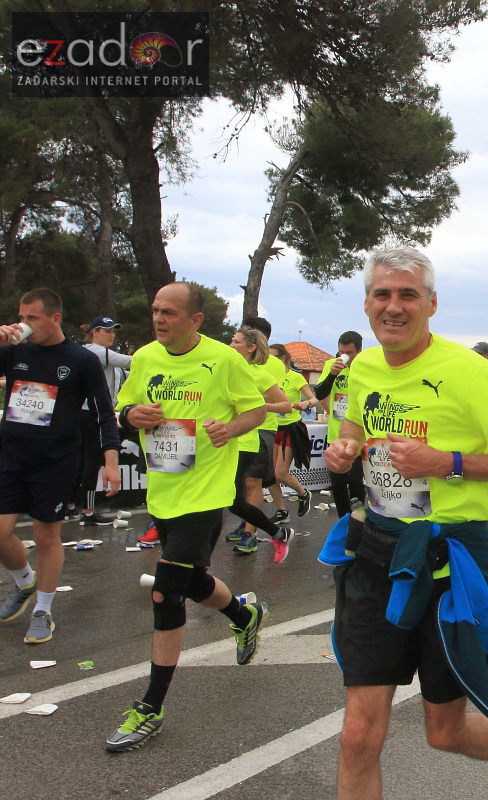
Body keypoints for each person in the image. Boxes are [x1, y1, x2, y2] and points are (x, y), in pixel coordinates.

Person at [321, 248, 488, 799]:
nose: (393, 307)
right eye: (382, 295)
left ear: (431, 303)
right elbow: (354, 425)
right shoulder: (366, 366)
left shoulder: (469, 372)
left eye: (407, 295)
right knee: (357, 734)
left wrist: (445, 463)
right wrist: (344, 449)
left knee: (443, 731)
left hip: (450, 561)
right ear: (367, 303)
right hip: (377, 552)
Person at [106, 282, 268, 753]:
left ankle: (150, 708)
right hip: (165, 490)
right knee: (191, 577)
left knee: (165, 592)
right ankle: (244, 613)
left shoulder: (224, 359)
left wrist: (229, 427)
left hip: (204, 493)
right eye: (155, 310)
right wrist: (131, 414)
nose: (159, 319)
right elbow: (123, 409)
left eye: (170, 312)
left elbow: (256, 409)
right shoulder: (146, 358)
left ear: (196, 320)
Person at [0, 290, 120, 644]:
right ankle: (25, 582)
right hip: (11, 455)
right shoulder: (14, 352)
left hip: (56, 461)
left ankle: (43, 610)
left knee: (45, 535)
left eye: (32, 318)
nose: (24, 324)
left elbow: (103, 414)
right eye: (21, 316)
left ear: (54, 318)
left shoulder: (80, 360)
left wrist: (110, 461)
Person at [227, 328, 295, 562]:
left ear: (251, 347)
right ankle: (270, 531)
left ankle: (252, 533)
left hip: (248, 440)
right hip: (223, 441)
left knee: (246, 488)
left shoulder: (260, 375)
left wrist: (258, 407)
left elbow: (286, 406)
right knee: (229, 498)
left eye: (235, 341)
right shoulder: (224, 369)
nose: (230, 344)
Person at [76, 315, 134, 526]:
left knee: (90, 462)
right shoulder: (93, 351)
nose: (111, 335)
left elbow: (127, 373)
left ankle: (77, 507)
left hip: (103, 413)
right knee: (90, 463)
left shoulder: (108, 359)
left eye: (113, 331)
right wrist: (159, 357)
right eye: (106, 330)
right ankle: (87, 511)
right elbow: (130, 361)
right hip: (89, 414)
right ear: (94, 332)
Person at [314, 331, 366, 517]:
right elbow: (319, 394)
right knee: (337, 483)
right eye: (341, 351)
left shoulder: (367, 367)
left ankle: (358, 519)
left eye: (349, 353)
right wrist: (332, 375)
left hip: (360, 436)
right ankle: (343, 520)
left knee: (355, 479)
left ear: (359, 351)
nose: (344, 356)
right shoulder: (331, 365)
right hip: (336, 434)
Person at [267, 344, 316, 519]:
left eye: (272, 357)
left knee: (280, 473)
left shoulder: (296, 377)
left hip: (290, 428)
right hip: (272, 427)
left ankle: (303, 493)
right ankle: (282, 511)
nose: (268, 361)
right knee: (270, 474)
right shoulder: (267, 377)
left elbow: (313, 399)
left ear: (283, 359)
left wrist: (306, 404)